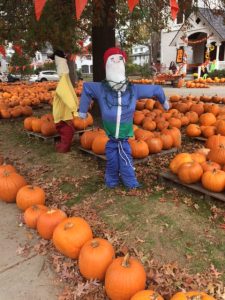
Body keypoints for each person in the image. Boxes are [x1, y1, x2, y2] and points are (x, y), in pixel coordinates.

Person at [78, 47, 169, 189]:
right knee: (112, 160)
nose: (115, 61)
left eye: (119, 59)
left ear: (123, 64)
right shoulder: (101, 88)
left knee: (125, 159)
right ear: (106, 65)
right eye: (111, 59)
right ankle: (112, 180)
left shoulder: (133, 89)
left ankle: (130, 182)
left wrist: (164, 101)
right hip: (111, 137)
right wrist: (82, 110)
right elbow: (87, 88)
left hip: (124, 138)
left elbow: (156, 89)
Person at [51, 50, 78, 153]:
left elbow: (69, 94)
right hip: (63, 116)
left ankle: (63, 145)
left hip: (64, 115)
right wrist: (74, 110)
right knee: (67, 132)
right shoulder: (63, 82)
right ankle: (64, 148)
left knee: (65, 132)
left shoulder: (65, 81)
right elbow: (67, 96)